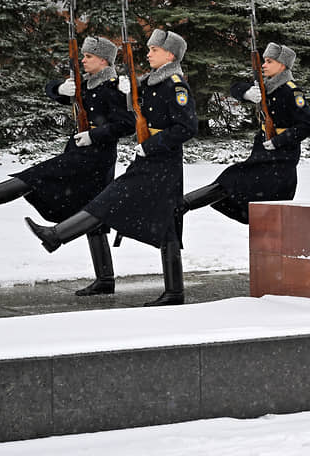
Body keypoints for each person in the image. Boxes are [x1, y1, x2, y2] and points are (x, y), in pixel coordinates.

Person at [25, 29, 197, 307]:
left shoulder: (176, 85)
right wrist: (131, 91)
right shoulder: (152, 83)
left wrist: (151, 145)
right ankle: (174, 292)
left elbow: (187, 127)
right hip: (149, 162)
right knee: (164, 224)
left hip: (162, 163)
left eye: (154, 50)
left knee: (113, 200)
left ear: (170, 55)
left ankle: (57, 235)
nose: (148, 53)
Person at [0, 36, 135, 296]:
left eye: (88, 56)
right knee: (93, 215)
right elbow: (51, 89)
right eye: (83, 55)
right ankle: (105, 279)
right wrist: (59, 89)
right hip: (81, 152)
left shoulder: (113, 88)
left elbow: (127, 125)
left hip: (96, 157)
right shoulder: (86, 84)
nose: (83, 60)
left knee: (39, 174)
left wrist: (94, 135)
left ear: (103, 60)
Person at [181, 42, 310, 223]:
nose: (264, 65)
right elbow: (234, 86)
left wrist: (279, 141)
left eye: (269, 61)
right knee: (233, 180)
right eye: (264, 61)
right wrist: (246, 94)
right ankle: (182, 205)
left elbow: (309, 124)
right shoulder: (265, 86)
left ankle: (182, 205)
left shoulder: (291, 92)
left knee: (257, 194)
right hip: (262, 150)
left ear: (282, 65)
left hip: (282, 157)